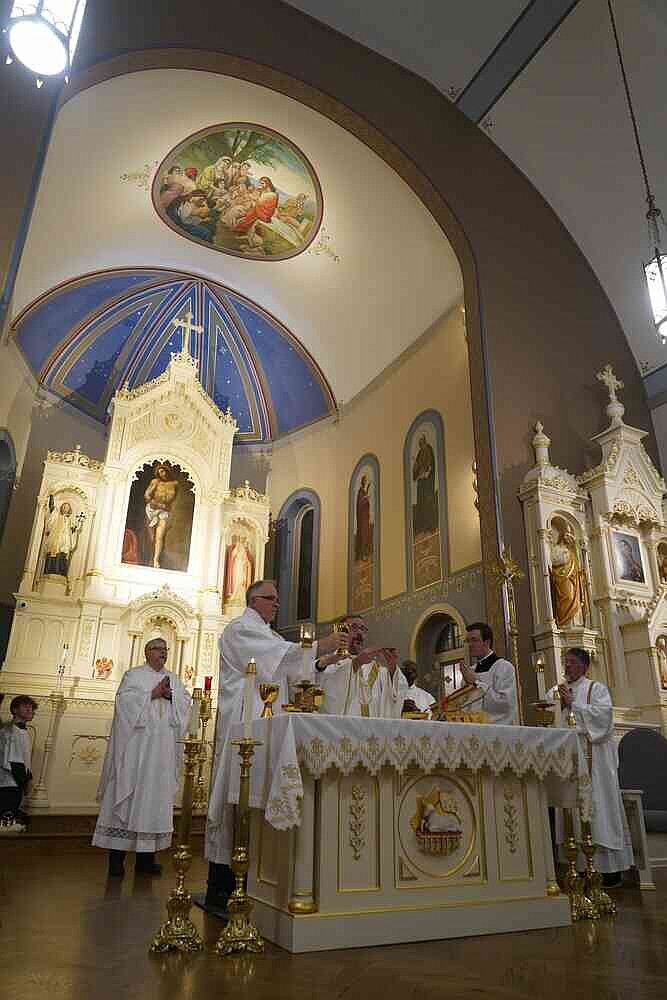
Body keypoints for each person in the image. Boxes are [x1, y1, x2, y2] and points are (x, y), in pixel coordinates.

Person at [204, 579, 356, 912]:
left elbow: (288, 668)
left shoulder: (268, 635)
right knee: (237, 799)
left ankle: (257, 876)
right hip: (245, 721)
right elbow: (278, 659)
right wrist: (321, 643)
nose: (276, 604)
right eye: (271, 599)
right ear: (254, 600)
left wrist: (321, 661)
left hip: (268, 722)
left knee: (256, 797)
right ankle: (222, 883)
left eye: (276, 598)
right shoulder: (240, 629)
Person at [92, 638, 191, 878]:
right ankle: (116, 862)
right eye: (158, 649)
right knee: (128, 796)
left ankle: (146, 860)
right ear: (147, 652)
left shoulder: (174, 678)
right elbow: (123, 703)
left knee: (153, 800)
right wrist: (152, 693)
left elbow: (186, 704)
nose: (163, 654)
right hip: (136, 749)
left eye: (165, 650)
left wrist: (171, 696)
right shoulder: (133, 676)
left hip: (161, 751)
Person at [548, 647, 633, 887]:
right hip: (570, 761)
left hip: (594, 763)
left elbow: (603, 721)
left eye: (573, 662)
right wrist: (562, 704)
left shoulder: (597, 689)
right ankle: (578, 868)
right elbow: (550, 718)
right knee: (572, 808)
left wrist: (573, 704)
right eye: (566, 662)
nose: (567, 667)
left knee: (599, 811)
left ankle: (608, 870)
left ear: (584, 666)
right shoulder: (557, 690)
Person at [318, 626, 408, 718]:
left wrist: (392, 666)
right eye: (354, 627)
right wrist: (356, 663)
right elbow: (328, 697)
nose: (360, 633)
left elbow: (397, 690)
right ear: (340, 632)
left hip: (371, 730)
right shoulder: (327, 662)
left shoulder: (375, 667)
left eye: (363, 629)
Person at [461, 622, 519, 725]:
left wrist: (476, 683)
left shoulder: (504, 667)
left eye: (474, 640)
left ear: (487, 642)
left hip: (497, 731)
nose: (470, 645)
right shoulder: (470, 670)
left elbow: (505, 704)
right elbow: (464, 706)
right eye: (468, 641)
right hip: (472, 731)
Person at [0, 695, 37, 830]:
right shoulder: (10, 731)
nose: (30, 709)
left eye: (32, 707)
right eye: (25, 705)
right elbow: (14, 763)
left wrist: (29, 779)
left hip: (14, 784)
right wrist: (26, 782)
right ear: (15, 709)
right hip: (8, 785)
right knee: (6, 827)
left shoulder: (22, 731)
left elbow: (23, 760)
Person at [144, 462, 180, 568]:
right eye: (159, 472)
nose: (162, 474)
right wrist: (153, 503)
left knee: (159, 537)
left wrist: (167, 506)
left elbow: (173, 498)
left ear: (167, 471)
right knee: (151, 537)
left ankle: (156, 560)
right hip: (152, 510)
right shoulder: (155, 481)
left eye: (163, 471)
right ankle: (149, 557)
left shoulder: (175, 484)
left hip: (164, 512)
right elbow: (147, 495)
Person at [43, 496, 81, 577]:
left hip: (65, 540)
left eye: (67, 507)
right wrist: (52, 502)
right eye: (64, 507)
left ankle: (60, 572)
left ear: (69, 509)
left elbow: (73, 529)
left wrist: (78, 524)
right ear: (61, 508)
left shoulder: (69, 520)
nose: (65, 509)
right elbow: (51, 521)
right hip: (56, 538)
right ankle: (51, 570)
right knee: (53, 552)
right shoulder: (57, 516)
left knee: (62, 554)